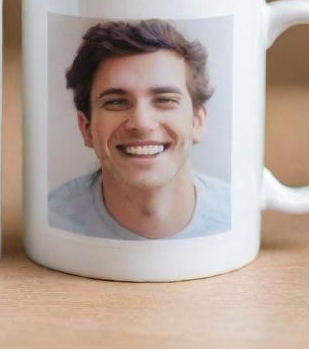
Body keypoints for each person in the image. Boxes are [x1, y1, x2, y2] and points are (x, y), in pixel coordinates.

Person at [48, 20, 230, 240]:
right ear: (86, 129)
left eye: (164, 100)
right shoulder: (51, 221)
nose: (142, 123)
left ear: (197, 122)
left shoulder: (235, 213)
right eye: (116, 102)